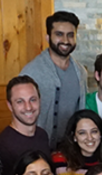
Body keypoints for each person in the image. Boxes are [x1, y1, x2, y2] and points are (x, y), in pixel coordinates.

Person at [20, 11, 88, 147]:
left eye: (70, 35)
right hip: (37, 146)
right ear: (47, 37)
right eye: (59, 34)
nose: (65, 41)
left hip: (70, 149)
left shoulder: (81, 72)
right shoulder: (31, 72)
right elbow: (19, 113)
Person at [0, 75, 51, 175]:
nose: (28, 107)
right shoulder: (3, 147)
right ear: (10, 106)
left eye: (33, 100)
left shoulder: (42, 134)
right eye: (20, 102)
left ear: (40, 100)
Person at [51, 110, 102, 175]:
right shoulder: (58, 160)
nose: (90, 138)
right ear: (74, 137)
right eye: (82, 133)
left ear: (101, 134)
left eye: (94, 131)